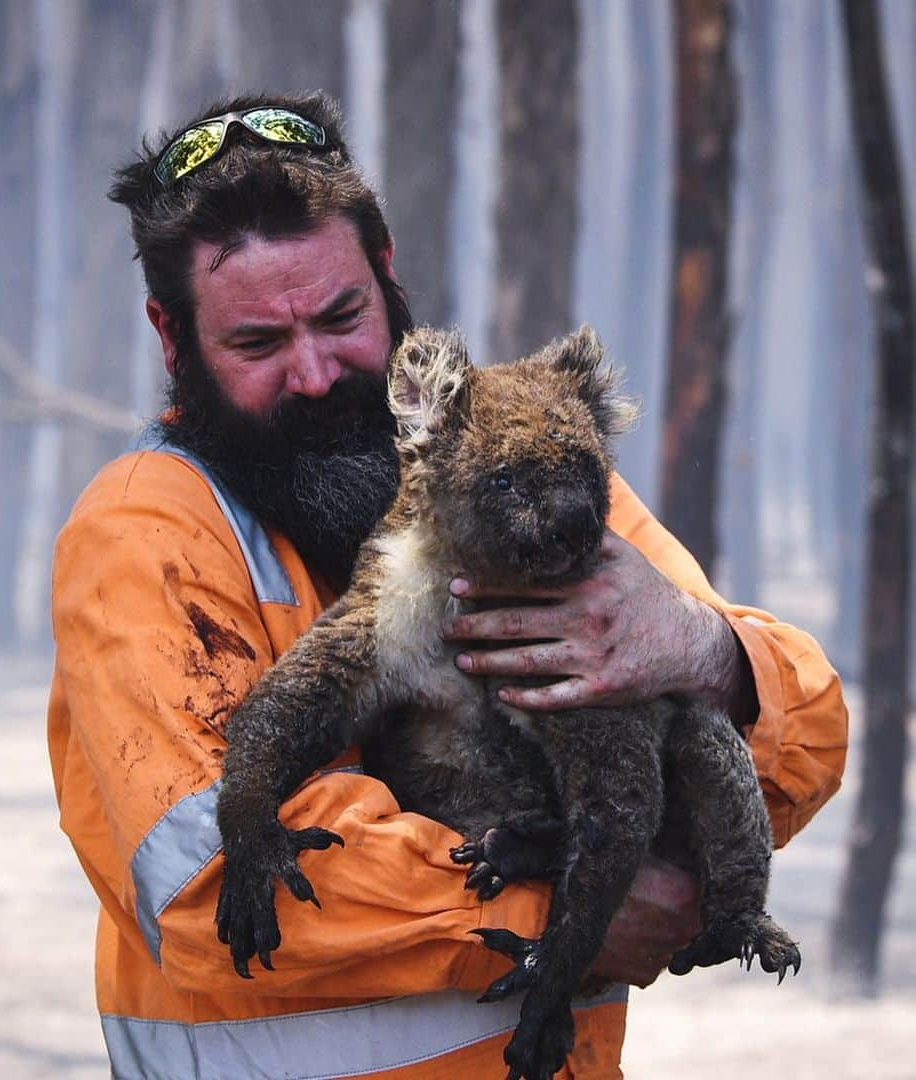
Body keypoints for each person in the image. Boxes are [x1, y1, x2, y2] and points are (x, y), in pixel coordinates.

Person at [48, 93, 847, 1079]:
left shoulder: (527, 468)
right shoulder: (145, 531)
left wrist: (702, 651)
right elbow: (203, 881)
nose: (314, 371)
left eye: (342, 317)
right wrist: (546, 906)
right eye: (256, 343)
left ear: (388, 280)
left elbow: (802, 749)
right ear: (173, 342)